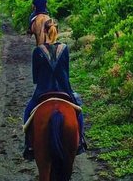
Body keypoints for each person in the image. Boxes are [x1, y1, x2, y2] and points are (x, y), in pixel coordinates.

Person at [23, 18, 86, 160]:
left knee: (27, 111)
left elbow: (35, 78)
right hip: (64, 90)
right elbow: (66, 72)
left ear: (44, 31)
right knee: (79, 111)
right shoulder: (64, 49)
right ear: (57, 31)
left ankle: (29, 145)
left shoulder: (37, 51)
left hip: (43, 91)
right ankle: (80, 141)